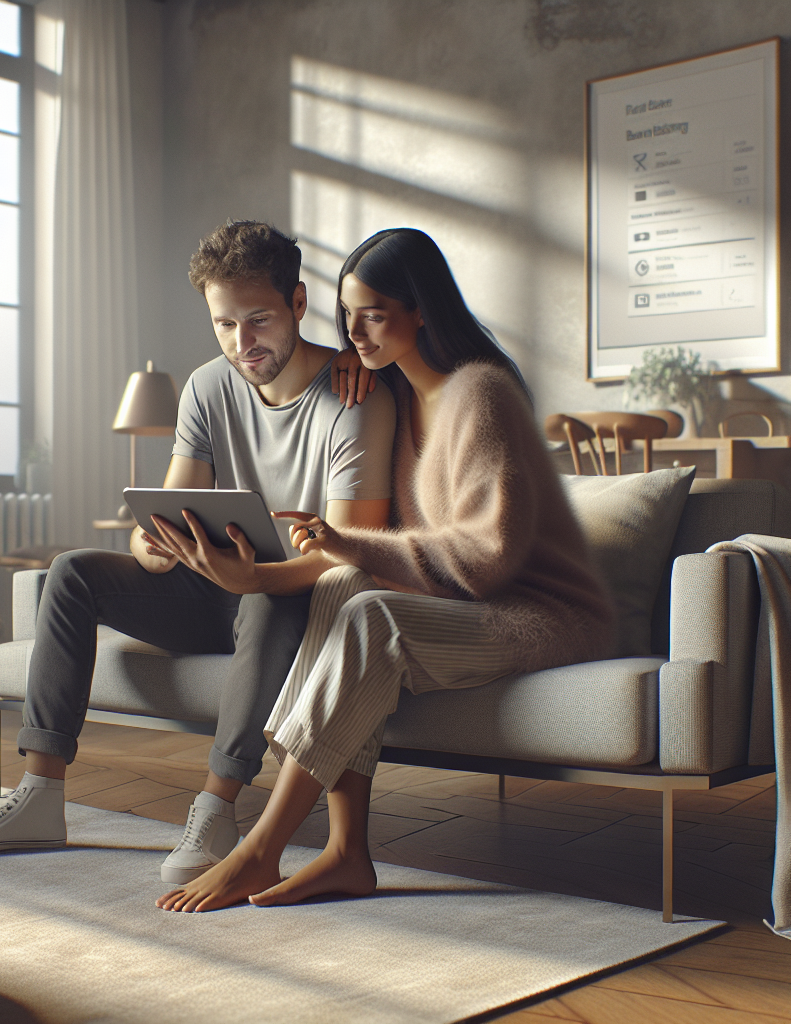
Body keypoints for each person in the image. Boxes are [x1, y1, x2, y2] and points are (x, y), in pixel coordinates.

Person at [154, 227, 615, 912]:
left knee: (367, 607)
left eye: (373, 313)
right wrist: (350, 363)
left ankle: (261, 849)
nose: (355, 331)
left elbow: (488, 561)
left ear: (421, 308)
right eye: (347, 315)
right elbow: (396, 540)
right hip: (463, 606)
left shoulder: (479, 395)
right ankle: (347, 852)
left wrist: (351, 545)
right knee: (342, 589)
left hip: (537, 615)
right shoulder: (390, 394)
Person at [0, 222, 395, 883]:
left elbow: (347, 554)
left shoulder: (355, 397)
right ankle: (39, 796)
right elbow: (167, 517)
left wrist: (253, 572)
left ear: (298, 303)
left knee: (266, 594)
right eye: (224, 325)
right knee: (71, 573)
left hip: (291, 600)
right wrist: (155, 546)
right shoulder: (207, 387)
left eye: (258, 320)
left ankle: (216, 809)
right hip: (208, 592)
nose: (242, 343)